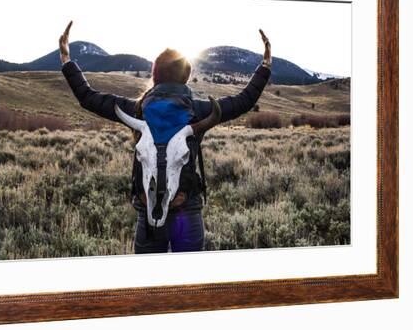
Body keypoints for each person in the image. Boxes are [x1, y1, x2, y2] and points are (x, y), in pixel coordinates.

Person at [59, 20, 272, 254]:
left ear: (155, 75)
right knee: (189, 282)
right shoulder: (198, 110)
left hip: (148, 209)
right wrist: (264, 66)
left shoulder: (136, 109)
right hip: (187, 208)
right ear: (186, 77)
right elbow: (244, 101)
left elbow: (88, 97)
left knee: (150, 282)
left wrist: (67, 61)